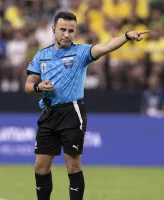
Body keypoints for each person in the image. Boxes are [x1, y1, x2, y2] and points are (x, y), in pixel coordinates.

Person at [25, 11, 150, 200]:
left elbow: (106, 46)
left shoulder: (81, 52)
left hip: (71, 112)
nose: (67, 34)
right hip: (48, 113)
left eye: (71, 30)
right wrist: (38, 86)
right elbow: (28, 84)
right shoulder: (42, 55)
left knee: (73, 167)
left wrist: (125, 37)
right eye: (63, 29)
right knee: (40, 168)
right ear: (54, 29)